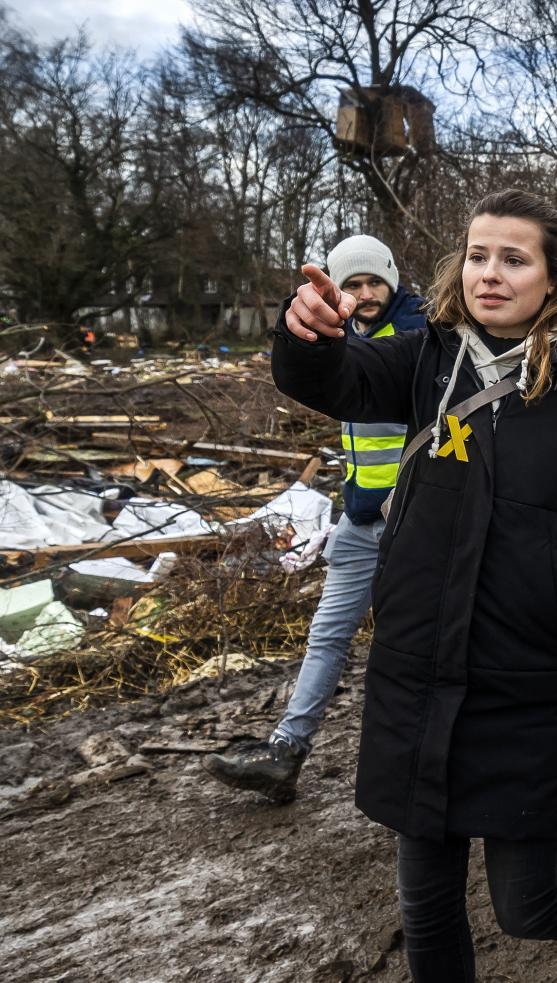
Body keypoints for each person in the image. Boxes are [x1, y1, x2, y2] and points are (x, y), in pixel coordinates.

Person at [269, 190, 557, 983]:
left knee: (525, 902)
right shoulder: (427, 357)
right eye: (476, 255)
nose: (489, 273)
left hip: (531, 681)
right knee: (426, 904)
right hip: (418, 667)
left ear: (556, 275)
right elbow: (339, 380)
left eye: (513, 258)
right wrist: (309, 336)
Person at [203, 234, 425, 803]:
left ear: (393, 280)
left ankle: (426, 765)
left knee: (416, 646)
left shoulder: (422, 335)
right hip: (359, 521)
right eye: (353, 284)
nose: (366, 293)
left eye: (375, 281)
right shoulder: (343, 334)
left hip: (418, 525)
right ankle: (286, 751)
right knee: (326, 636)